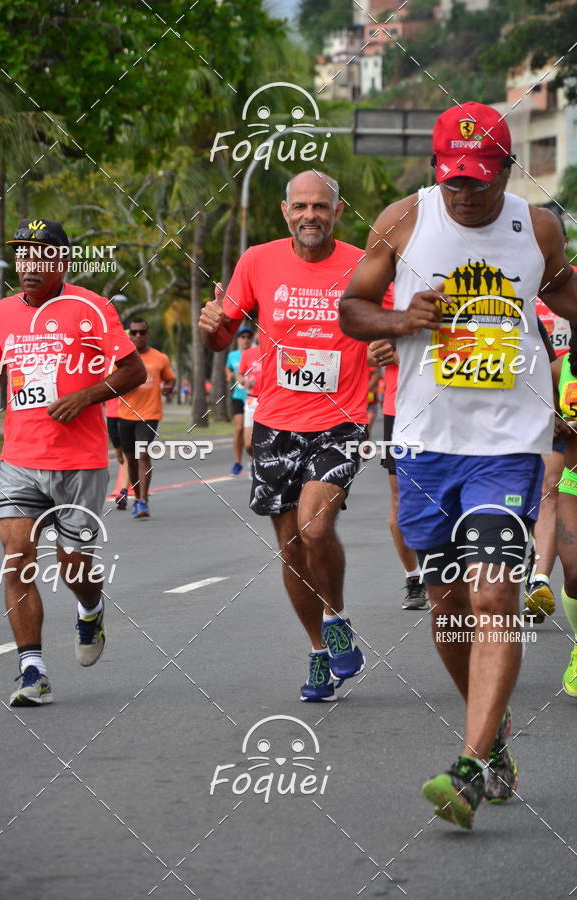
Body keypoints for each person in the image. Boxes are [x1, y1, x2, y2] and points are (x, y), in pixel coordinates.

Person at [339, 101, 577, 828]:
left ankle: (470, 768)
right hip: (424, 444)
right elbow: (351, 307)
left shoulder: (536, 228)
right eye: (453, 179)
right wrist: (400, 319)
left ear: (508, 169)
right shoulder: (404, 220)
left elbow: (567, 292)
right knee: (447, 609)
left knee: (493, 594)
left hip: (507, 445)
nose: (465, 192)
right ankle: (494, 736)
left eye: (479, 179)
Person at [200, 170, 372, 703]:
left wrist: (389, 345)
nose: (310, 216)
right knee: (291, 546)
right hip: (275, 421)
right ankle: (319, 649)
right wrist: (213, 326)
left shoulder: (364, 264)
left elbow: (391, 320)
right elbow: (225, 331)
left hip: (342, 418)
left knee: (315, 526)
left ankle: (337, 615)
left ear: (337, 213)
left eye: (321, 206)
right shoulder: (257, 260)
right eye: (300, 206)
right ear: (285, 211)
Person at [0, 218, 145, 706]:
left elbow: (132, 369)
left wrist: (85, 397)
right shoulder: (1, 313)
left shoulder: (91, 308)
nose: (30, 264)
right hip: (20, 459)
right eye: (24, 255)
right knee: (16, 560)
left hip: (80, 462)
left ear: (62, 261)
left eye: (42, 254)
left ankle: (90, 609)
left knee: (74, 566)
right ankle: (32, 670)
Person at [524, 217, 573, 621]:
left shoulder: (570, 283)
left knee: (549, 488)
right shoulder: (516, 283)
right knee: (534, 493)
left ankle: (540, 577)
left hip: (564, 388)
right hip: (523, 395)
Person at [374, 285, 428, 611]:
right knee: (400, 497)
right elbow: (367, 336)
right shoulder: (385, 286)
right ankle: (414, 578)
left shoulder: (451, 274)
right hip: (401, 409)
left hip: (449, 405)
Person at [117, 317, 175, 518]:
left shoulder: (160, 358)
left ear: (148, 334)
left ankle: (143, 501)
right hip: (124, 415)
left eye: (142, 332)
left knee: (143, 455)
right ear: (129, 334)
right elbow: (111, 382)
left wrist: (169, 388)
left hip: (149, 415)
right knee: (130, 460)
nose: (138, 336)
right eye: (134, 332)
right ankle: (136, 496)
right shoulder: (122, 358)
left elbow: (170, 378)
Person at [551, 323, 577, 696]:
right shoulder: (559, 369)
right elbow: (529, 409)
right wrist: (554, 423)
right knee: (574, 572)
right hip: (573, 481)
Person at [226, 326, 253, 475]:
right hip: (238, 396)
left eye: (249, 337)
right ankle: (237, 462)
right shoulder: (233, 356)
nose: (246, 340)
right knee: (238, 428)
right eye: (243, 337)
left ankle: (252, 461)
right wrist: (229, 374)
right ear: (238, 340)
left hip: (253, 398)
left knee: (251, 433)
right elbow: (229, 368)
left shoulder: (257, 354)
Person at [237, 334, 262, 467]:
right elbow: (239, 374)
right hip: (252, 401)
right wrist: (243, 381)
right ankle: (255, 462)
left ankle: (260, 466)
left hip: (270, 401)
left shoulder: (276, 351)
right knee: (248, 444)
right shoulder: (248, 353)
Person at [106, 396, 130, 510]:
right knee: (120, 456)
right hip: (111, 414)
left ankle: (123, 492)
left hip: (128, 414)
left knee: (127, 456)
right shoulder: (102, 376)